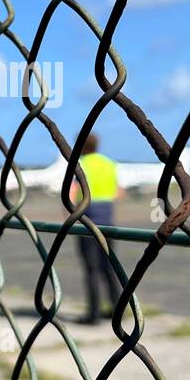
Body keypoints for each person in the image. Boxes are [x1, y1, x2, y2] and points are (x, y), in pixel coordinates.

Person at [69, 134, 124, 325]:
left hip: (88, 221)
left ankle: (93, 313)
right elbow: (118, 191)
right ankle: (117, 310)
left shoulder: (80, 164)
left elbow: (73, 192)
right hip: (108, 221)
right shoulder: (109, 163)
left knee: (91, 268)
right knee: (109, 268)